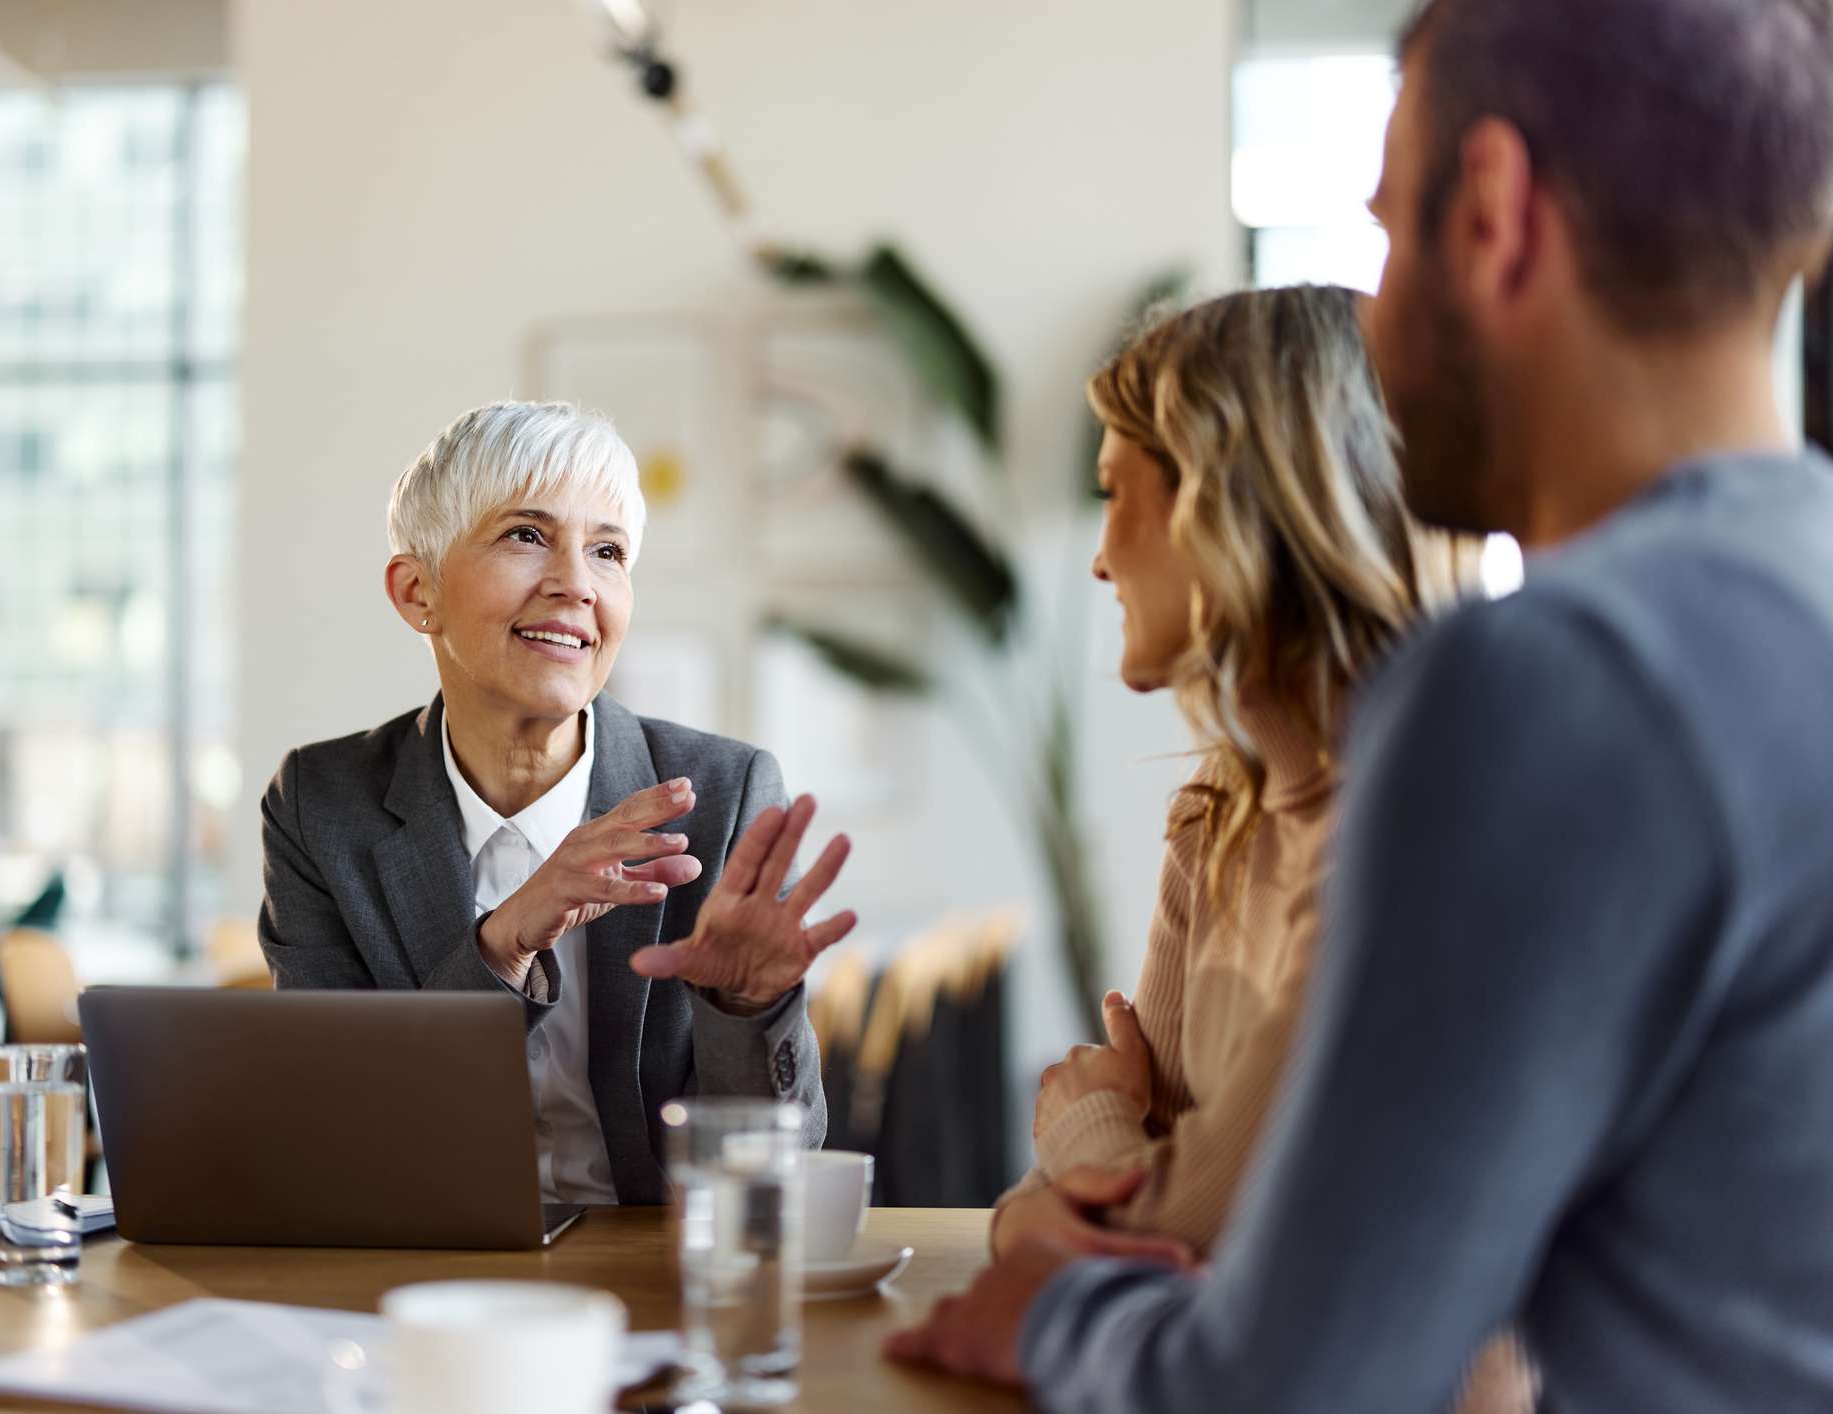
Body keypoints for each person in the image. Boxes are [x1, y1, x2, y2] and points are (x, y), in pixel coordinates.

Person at [887, 0, 1833, 1407]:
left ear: (1497, 213)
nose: (1370, 324)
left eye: (1386, 235)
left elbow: (1284, 1381)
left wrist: (1054, 1311)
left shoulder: (1549, 684)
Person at [983, 285, 1527, 1411]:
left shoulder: (1417, 828)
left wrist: (1082, 1129)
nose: (1097, 560)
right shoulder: (1217, 814)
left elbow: (1181, 1217)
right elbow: (1132, 1218)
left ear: (1225, 510)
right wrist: (1086, 1181)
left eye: (1113, 498)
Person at [258, 400, 856, 1205]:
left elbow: (767, 1172)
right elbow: (340, 1128)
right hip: (424, 1269)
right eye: (526, 536)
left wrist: (749, 1007)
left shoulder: (722, 795)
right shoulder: (320, 805)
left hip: (651, 1269)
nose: (577, 584)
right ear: (415, 591)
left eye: (608, 551)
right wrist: (501, 945)